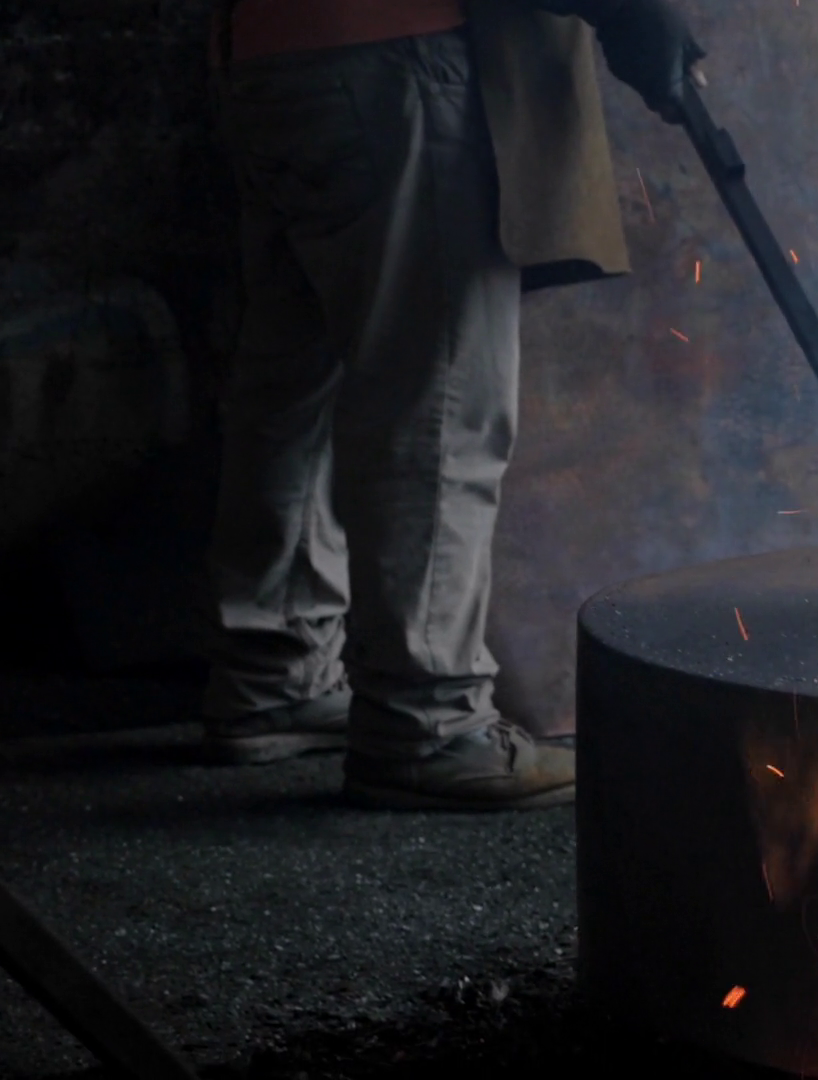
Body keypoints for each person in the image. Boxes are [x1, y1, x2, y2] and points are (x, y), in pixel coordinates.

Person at [199, 0, 700, 809]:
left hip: (271, 57)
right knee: (437, 400)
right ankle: (427, 723)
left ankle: (274, 675)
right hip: (395, 58)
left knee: (295, 389)